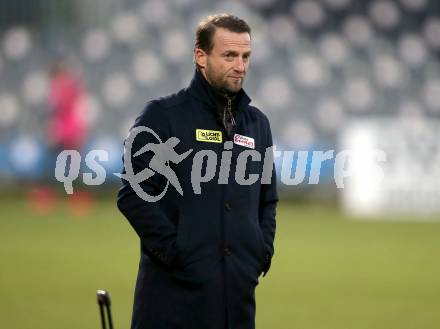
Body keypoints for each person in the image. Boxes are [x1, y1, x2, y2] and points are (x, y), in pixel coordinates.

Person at [117, 13, 278, 329]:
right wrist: (177, 254)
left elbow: (267, 200)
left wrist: (260, 252)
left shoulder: (258, 124)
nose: (240, 66)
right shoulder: (162, 116)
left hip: (238, 299)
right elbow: (134, 195)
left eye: (245, 56)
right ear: (200, 57)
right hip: (172, 302)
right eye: (229, 55)